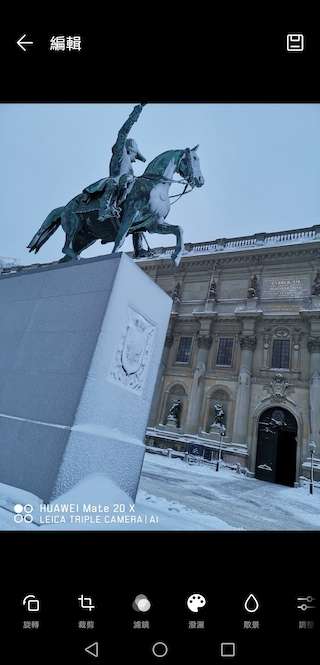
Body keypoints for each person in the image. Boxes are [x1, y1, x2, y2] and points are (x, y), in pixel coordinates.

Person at [82, 104, 147, 250]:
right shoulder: (120, 154)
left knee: (138, 208)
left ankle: (139, 248)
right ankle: (106, 209)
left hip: (124, 188)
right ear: (131, 151)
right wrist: (137, 112)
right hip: (114, 183)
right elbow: (122, 132)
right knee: (115, 182)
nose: (136, 159)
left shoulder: (130, 169)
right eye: (136, 155)